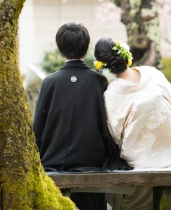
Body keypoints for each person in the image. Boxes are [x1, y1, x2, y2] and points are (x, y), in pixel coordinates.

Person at [33, 23, 131, 210]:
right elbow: (107, 123)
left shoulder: (49, 82)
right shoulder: (99, 81)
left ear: (60, 47)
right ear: (86, 47)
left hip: (53, 161)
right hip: (92, 161)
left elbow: (39, 126)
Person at [94, 38, 171, 210]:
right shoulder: (152, 74)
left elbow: (114, 135)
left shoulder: (111, 95)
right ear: (124, 54)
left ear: (103, 66)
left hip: (138, 161)